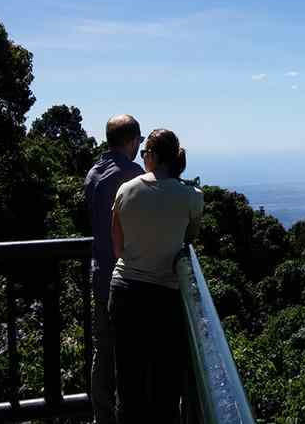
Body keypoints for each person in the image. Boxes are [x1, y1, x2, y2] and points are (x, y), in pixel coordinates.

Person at [109, 129, 204, 424]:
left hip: (124, 291)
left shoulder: (126, 190)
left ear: (151, 156)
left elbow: (118, 247)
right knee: (166, 387)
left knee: (128, 385)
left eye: (144, 154)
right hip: (166, 297)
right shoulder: (192, 196)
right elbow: (189, 240)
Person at [83, 114, 145, 424]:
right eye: (140, 141)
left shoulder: (93, 173)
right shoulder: (132, 176)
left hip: (99, 274)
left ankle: (102, 416)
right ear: (132, 140)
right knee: (132, 354)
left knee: (103, 350)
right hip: (127, 277)